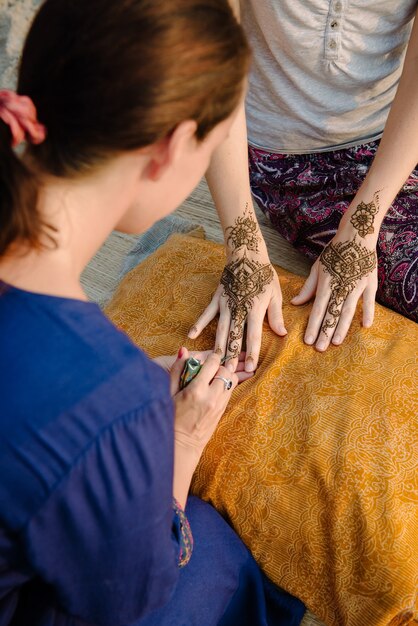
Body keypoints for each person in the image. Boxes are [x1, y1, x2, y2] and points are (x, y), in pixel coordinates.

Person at [0, 1, 305, 625]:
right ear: (171, 148)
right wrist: (180, 441)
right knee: (212, 555)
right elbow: (129, 599)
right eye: (217, 143)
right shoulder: (113, 398)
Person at [190, 0, 418, 366]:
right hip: (290, 156)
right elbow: (206, 62)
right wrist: (243, 249)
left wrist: (361, 228)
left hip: (401, 130)